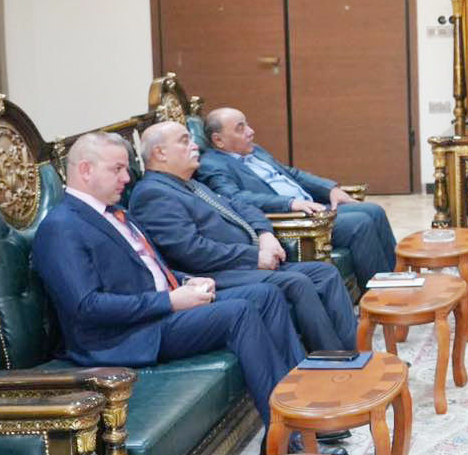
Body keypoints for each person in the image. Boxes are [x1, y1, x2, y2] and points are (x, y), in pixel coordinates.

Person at [31, 134, 304, 431]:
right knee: (239, 312)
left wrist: (186, 281)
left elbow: (148, 269)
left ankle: (303, 402)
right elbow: (87, 307)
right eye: (117, 169)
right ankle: (287, 432)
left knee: (267, 295)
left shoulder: (115, 212)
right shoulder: (61, 226)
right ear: (85, 170)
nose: (126, 178)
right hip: (124, 335)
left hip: (160, 310)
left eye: (126, 169)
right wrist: (171, 301)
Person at [130, 121, 358, 353]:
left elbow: (241, 206)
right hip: (213, 273)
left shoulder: (188, 183)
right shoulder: (153, 194)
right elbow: (191, 251)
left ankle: (352, 351)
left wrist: (265, 234)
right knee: (297, 282)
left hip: (243, 262)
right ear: (160, 153)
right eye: (184, 141)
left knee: (325, 272)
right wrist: (253, 257)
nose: (195, 145)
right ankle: (332, 359)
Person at [195, 106, 397, 286]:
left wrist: (330, 189)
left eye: (247, 124)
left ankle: (397, 278)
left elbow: (292, 174)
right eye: (240, 128)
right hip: (291, 218)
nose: (250, 131)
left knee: (374, 211)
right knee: (360, 223)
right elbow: (235, 198)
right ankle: (380, 296)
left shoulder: (255, 151)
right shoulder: (211, 165)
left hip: (312, 208)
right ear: (218, 140)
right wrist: (290, 203)